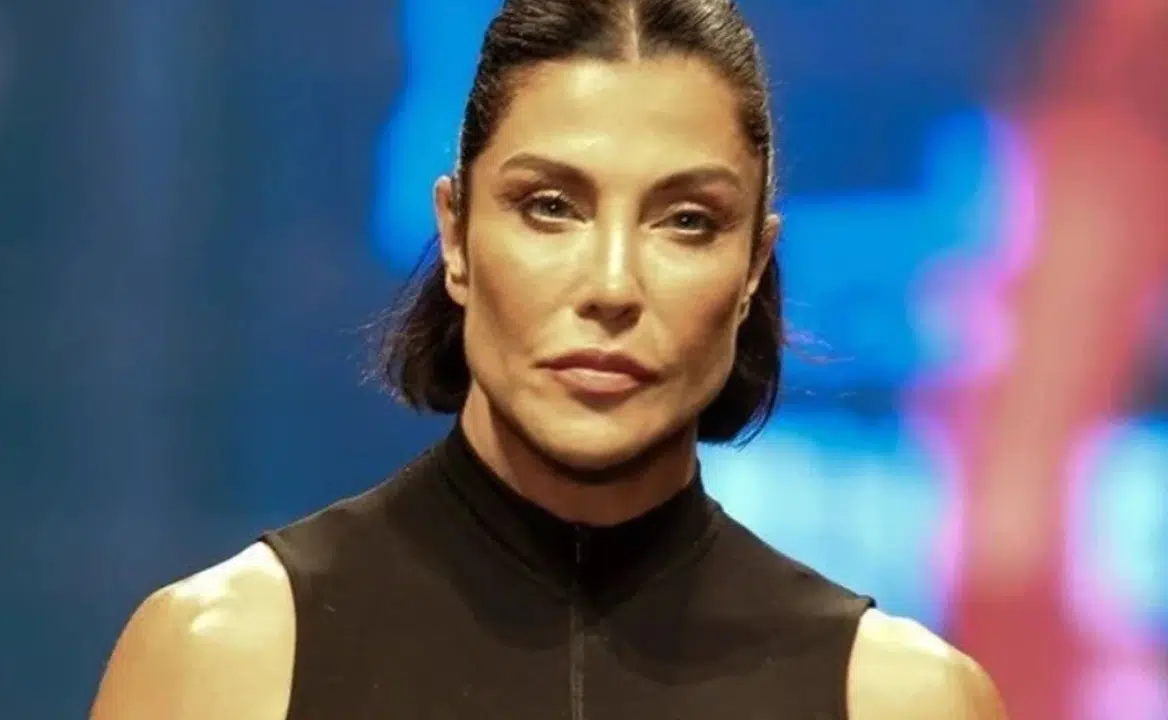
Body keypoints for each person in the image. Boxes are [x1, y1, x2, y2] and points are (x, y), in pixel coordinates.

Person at [90, 1, 1007, 718]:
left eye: (687, 221)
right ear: (456, 237)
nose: (612, 284)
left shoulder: (897, 701)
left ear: (752, 271)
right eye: (551, 207)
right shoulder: (225, 662)